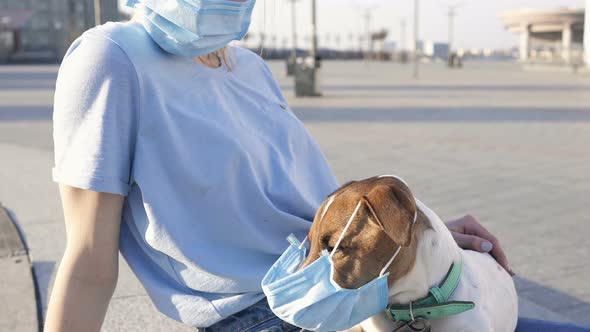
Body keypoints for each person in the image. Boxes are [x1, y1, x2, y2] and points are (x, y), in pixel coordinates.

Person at [44, 1, 589, 331]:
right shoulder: (109, 58)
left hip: (358, 290)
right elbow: (90, 258)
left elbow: (314, 211)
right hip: (272, 314)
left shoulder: (250, 66)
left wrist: (424, 234)